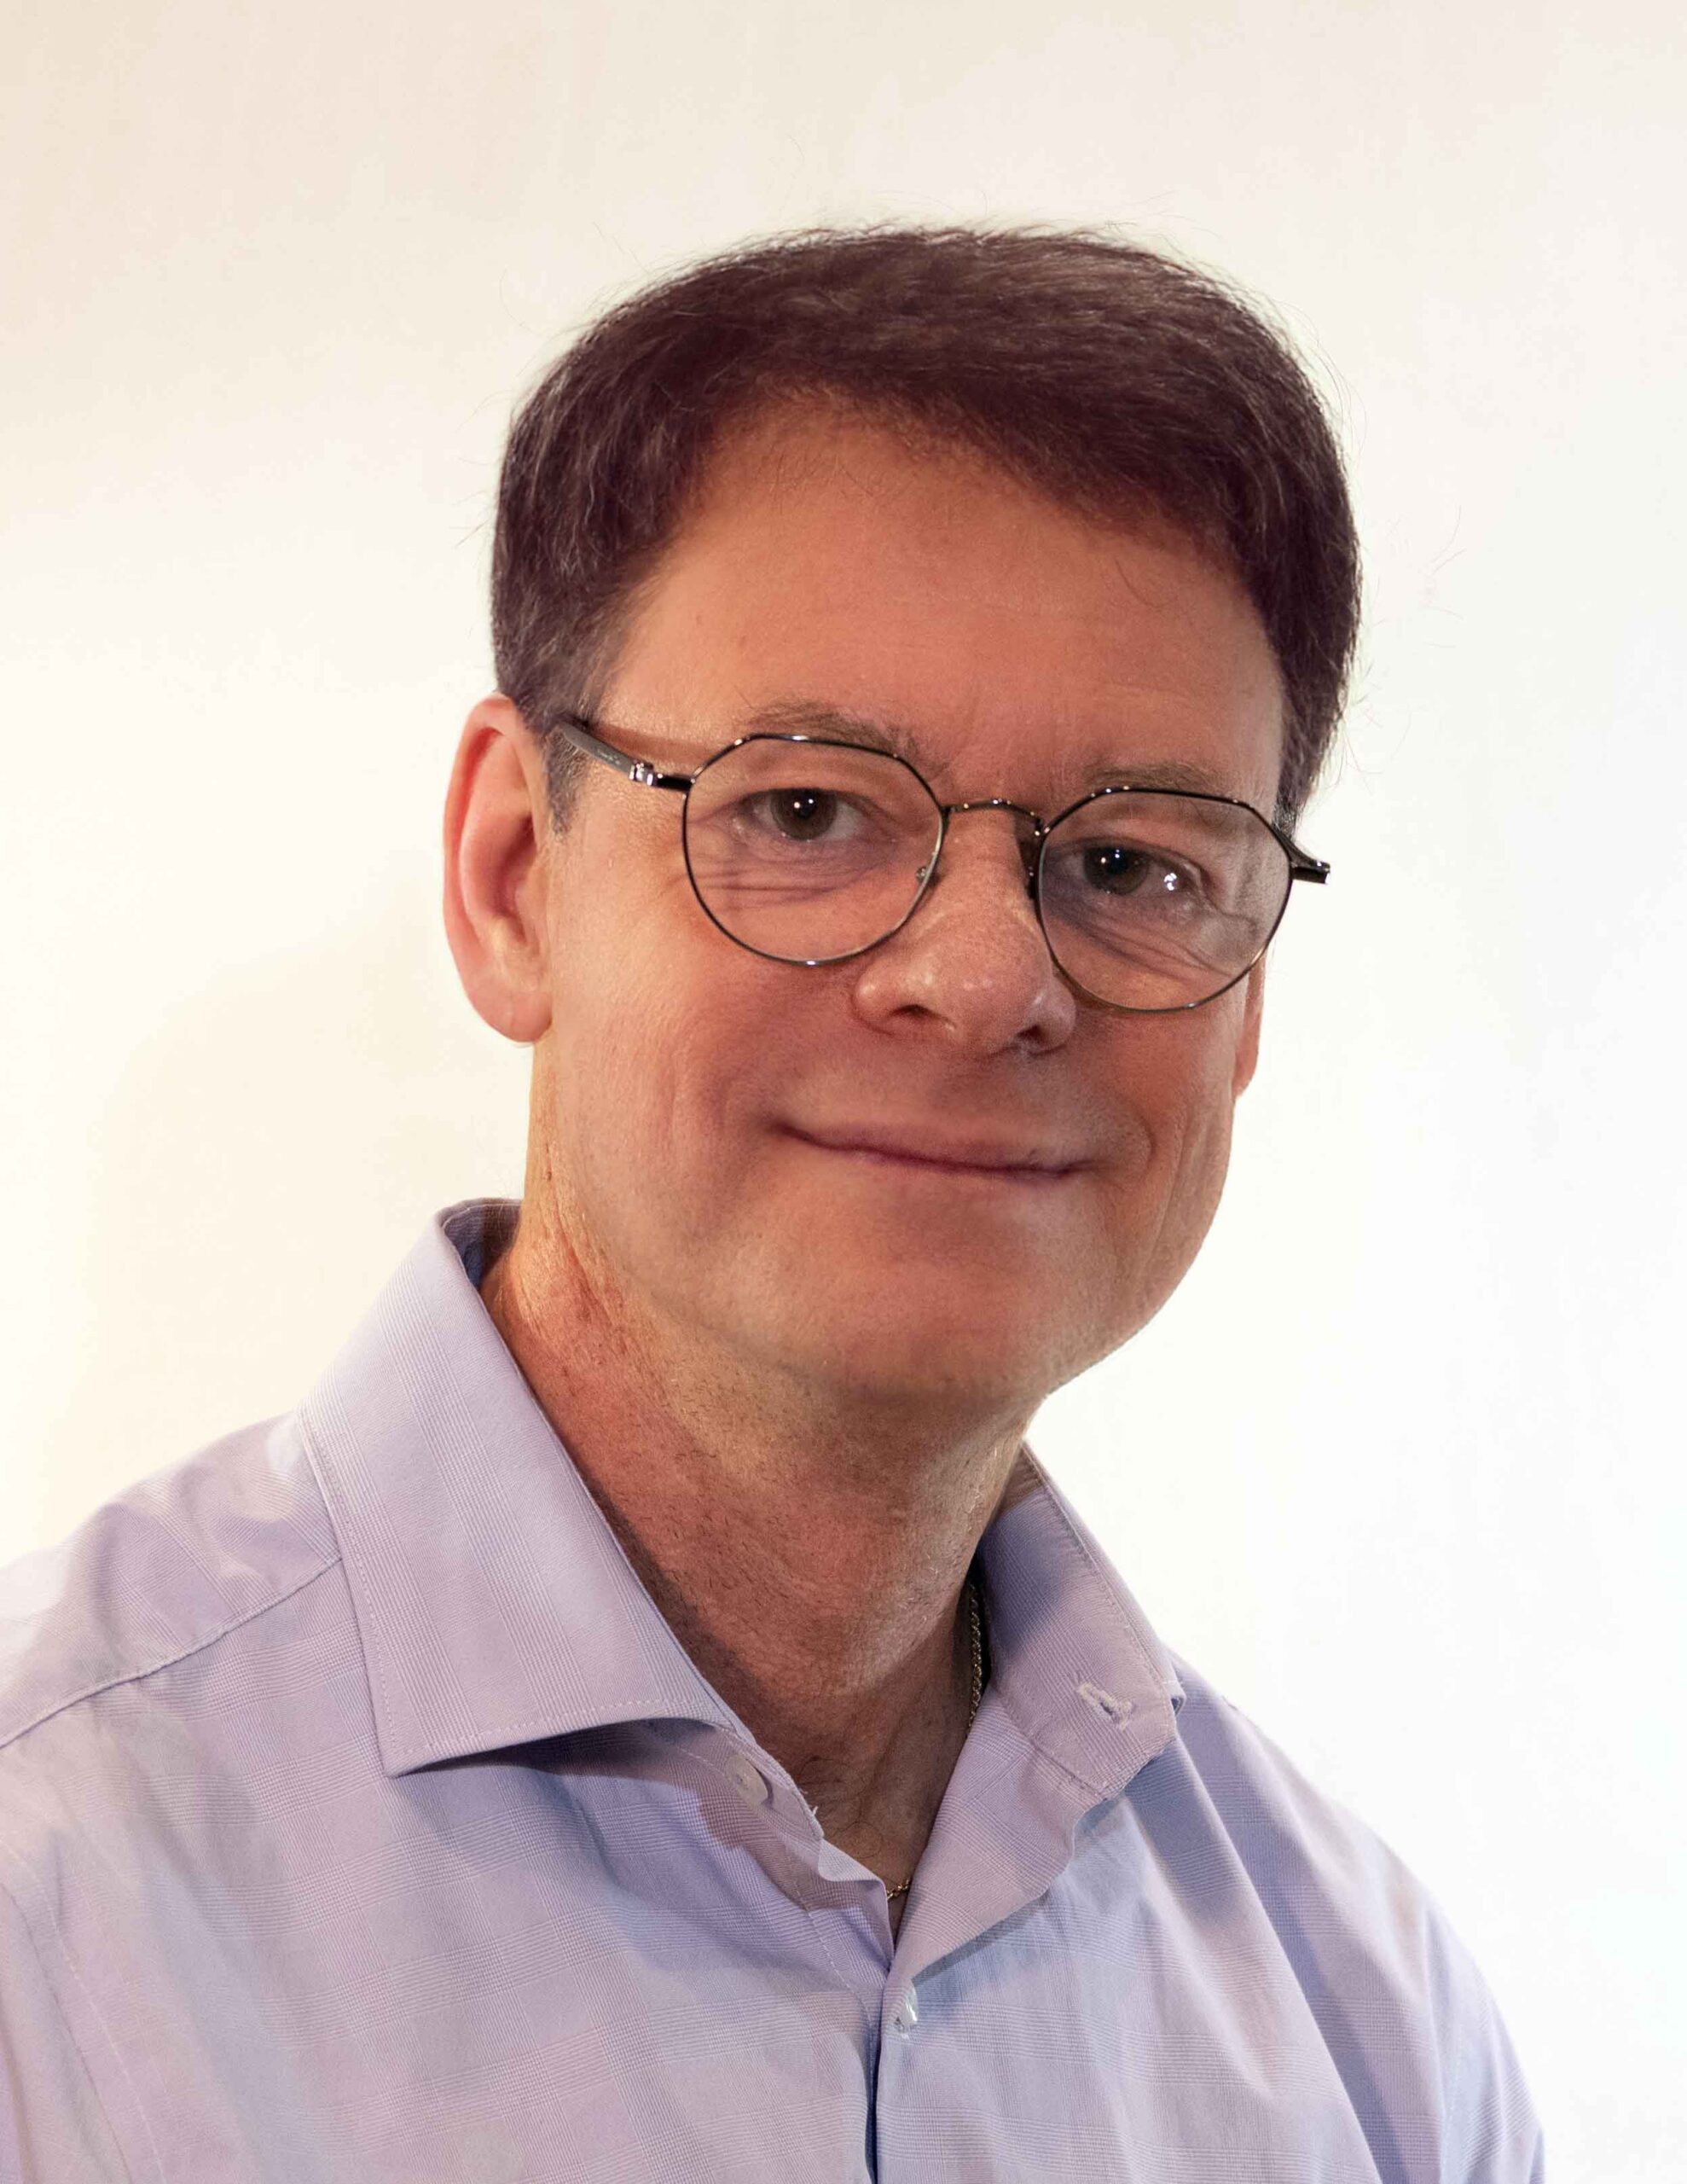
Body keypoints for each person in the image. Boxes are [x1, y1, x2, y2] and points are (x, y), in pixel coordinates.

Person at [0, 225, 1544, 2181]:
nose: (986, 977)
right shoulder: (48, 1902)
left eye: (1139, 863)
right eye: (804, 810)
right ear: (507, 876)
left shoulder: (1373, 2044)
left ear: (1245, 999)